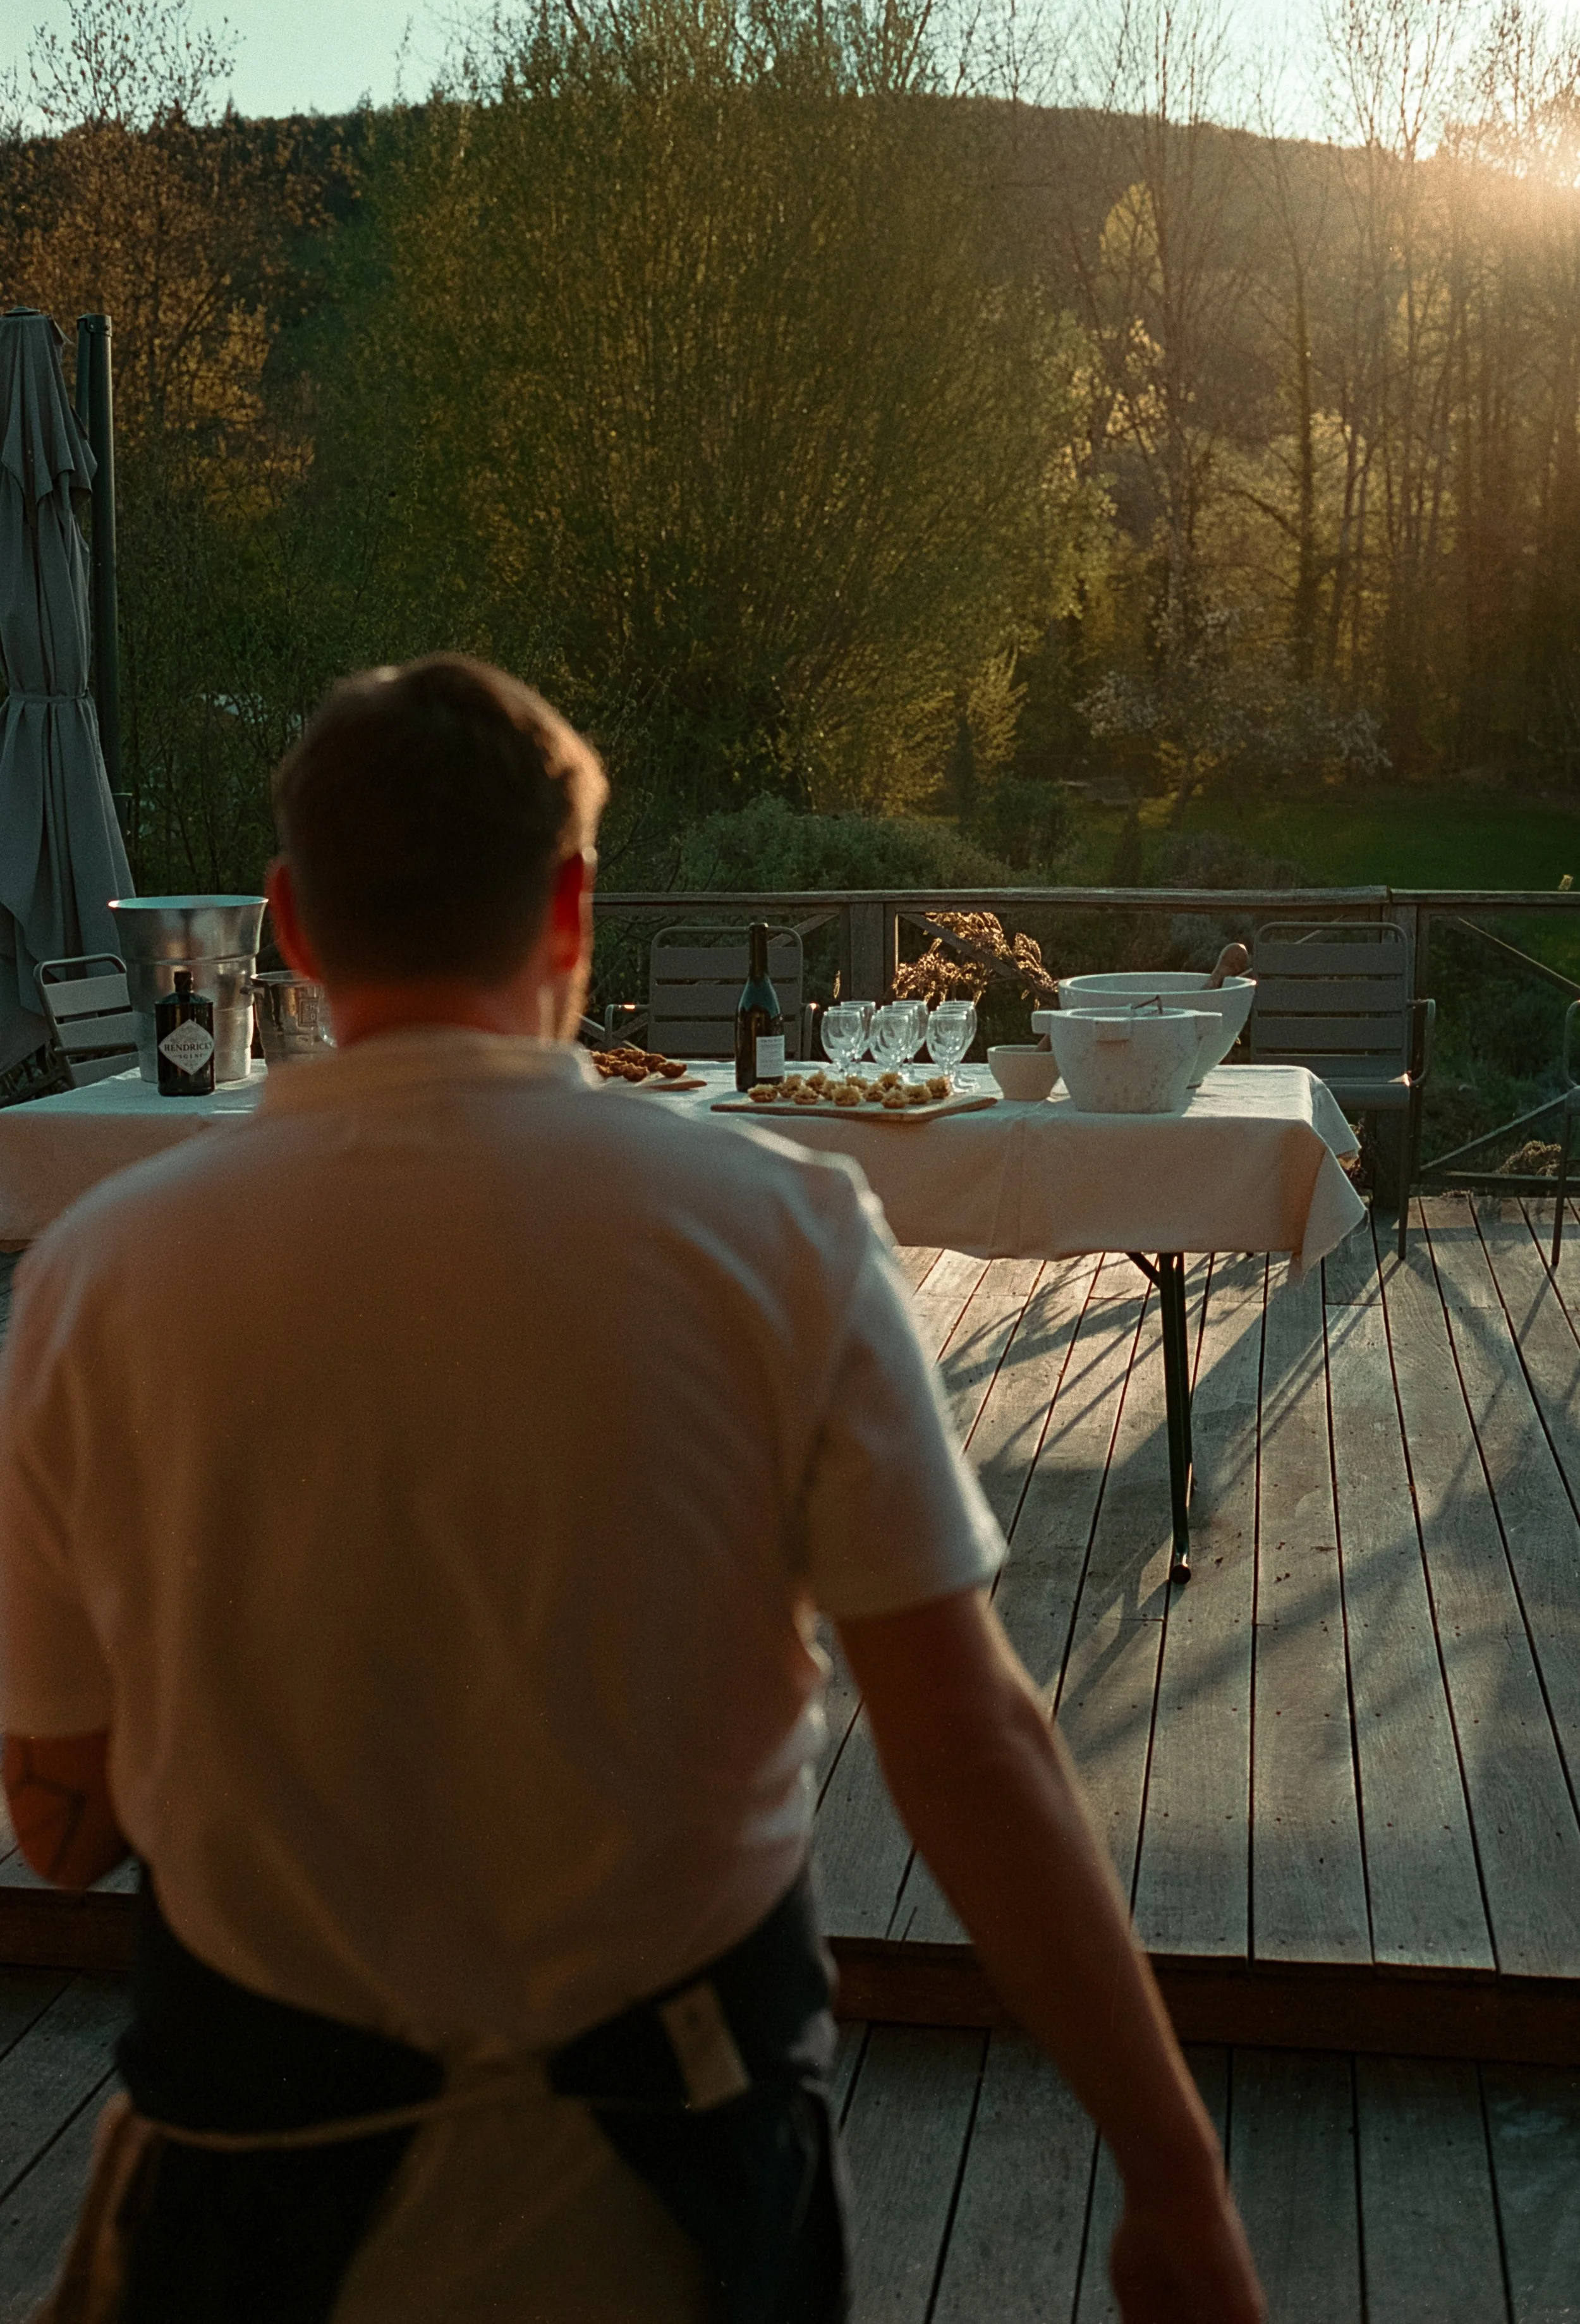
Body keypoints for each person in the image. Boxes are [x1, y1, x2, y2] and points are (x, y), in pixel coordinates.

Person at [0, 654, 1263, 2324]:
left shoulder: (97, 1274)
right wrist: (1174, 2179)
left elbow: (62, 1820)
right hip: (679, 2196)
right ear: (575, 907)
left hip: (257, 2205)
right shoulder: (783, 1232)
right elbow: (965, 1744)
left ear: (292, 925)